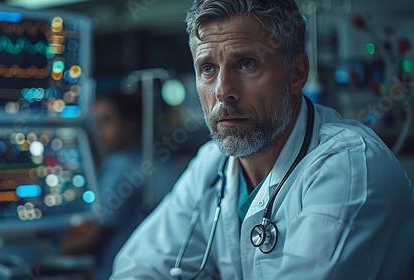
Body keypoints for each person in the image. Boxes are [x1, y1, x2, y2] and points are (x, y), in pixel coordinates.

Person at [110, 0, 414, 279]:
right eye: (208, 69)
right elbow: (134, 269)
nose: (223, 90)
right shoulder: (212, 164)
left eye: (246, 64)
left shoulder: (350, 165)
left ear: (296, 73)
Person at [61, 90, 144, 280]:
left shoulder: (121, 168)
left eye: (106, 121)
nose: (98, 133)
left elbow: (89, 241)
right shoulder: (135, 162)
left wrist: (48, 248)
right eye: (95, 124)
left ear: (129, 125)